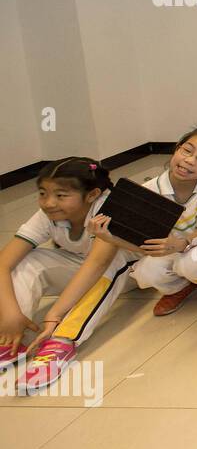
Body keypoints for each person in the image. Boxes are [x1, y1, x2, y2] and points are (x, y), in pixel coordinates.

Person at [19, 127, 197, 390]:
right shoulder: (145, 190)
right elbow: (129, 249)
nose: (190, 160)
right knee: (143, 272)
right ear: (177, 148)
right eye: (187, 150)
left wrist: (181, 242)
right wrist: (108, 238)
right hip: (161, 249)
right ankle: (63, 340)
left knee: (193, 262)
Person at [0, 158, 113, 371]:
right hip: (83, 268)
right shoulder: (49, 214)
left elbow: (99, 263)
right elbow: (3, 264)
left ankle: (64, 338)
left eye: (61, 195)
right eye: (43, 193)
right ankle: (10, 336)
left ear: (92, 195)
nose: (49, 203)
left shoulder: (108, 208)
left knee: (111, 261)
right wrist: (10, 313)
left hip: (121, 274)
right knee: (28, 260)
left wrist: (55, 314)